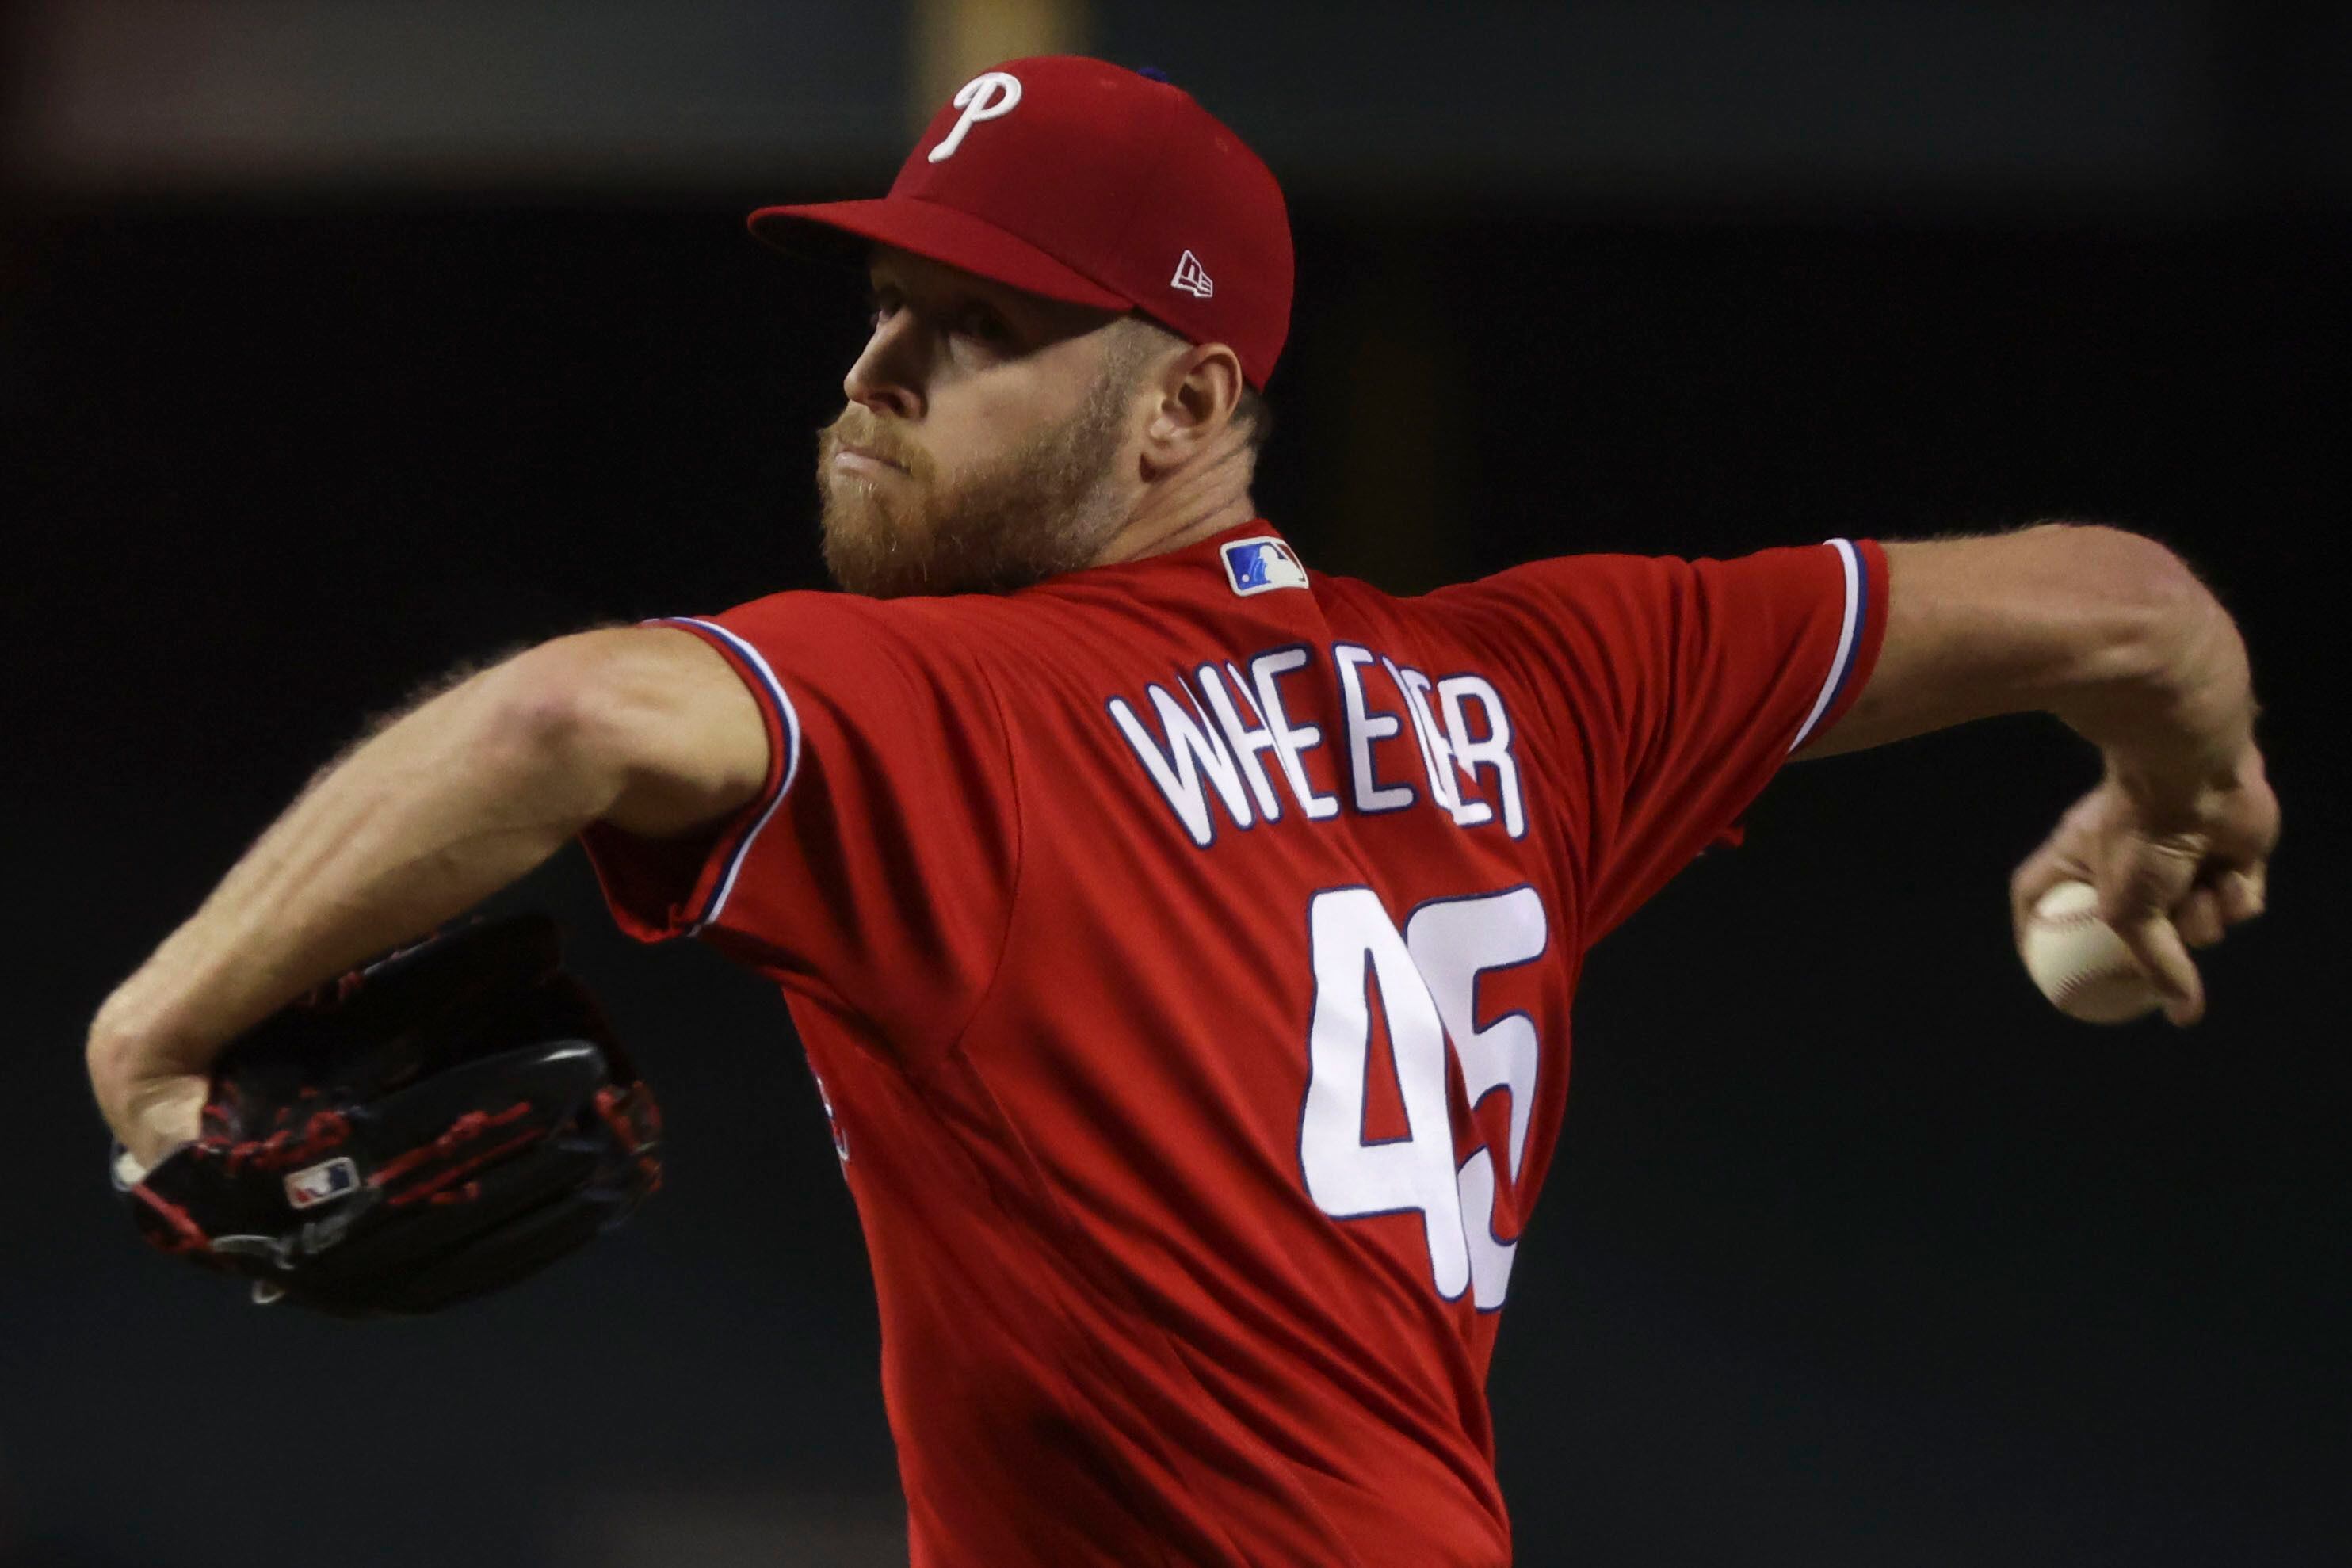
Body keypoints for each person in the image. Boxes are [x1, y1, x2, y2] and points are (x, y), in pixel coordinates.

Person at [86, 55, 2278, 1567]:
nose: (877, 373)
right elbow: (2137, 604)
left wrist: (154, 1035)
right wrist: (2175, 794)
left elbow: (562, 717)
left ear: (1187, 405)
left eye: (977, 326)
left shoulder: (976, 714)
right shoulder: (1557, 684)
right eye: (881, 309)